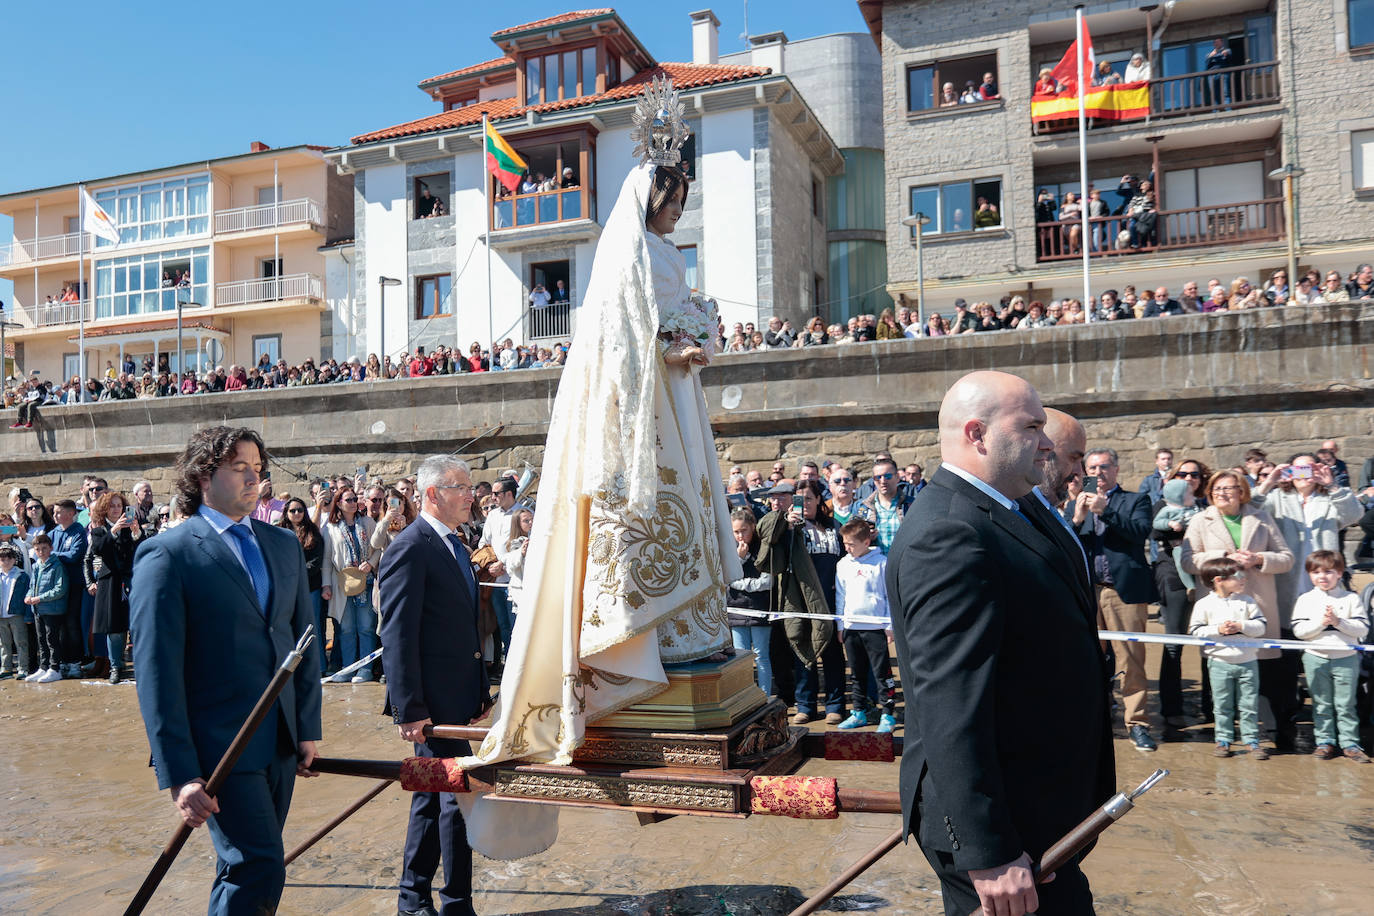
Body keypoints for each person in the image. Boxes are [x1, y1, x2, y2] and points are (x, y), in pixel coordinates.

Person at [463, 103, 739, 769]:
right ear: (651, 196)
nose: (677, 209)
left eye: (681, 198)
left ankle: (692, 628)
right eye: (672, 198)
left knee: (693, 491)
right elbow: (619, 337)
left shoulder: (668, 249)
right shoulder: (628, 252)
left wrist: (695, 337)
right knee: (652, 500)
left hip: (677, 392)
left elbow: (670, 314)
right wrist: (670, 350)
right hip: (644, 398)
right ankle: (644, 643)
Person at [888, 371, 1111, 916]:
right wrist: (987, 850)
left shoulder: (1019, 504)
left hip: (1044, 816)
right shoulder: (950, 534)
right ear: (978, 434)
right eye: (1032, 426)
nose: (1046, 441)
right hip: (1003, 836)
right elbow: (950, 704)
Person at [129, 426, 321, 915]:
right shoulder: (168, 553)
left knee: (242, 867)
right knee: (260, 863)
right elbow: (156, 672)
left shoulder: (282, 545)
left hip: (280, 741)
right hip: (218, 751)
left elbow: (301, 641)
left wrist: (308, 727)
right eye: (240, 467)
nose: (254, 478)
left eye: (258, 468)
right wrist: (179, 774)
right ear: (202, 475)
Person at [378, 455, 490, 916]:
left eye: (469, 487)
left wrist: (482, 695)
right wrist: (409, 708)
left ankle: (416, 899)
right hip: (433, 706)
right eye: (460, 487)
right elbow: (397, 634)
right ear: (432, 494)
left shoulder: (455, 544)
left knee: (436, 799)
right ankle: (452, 903)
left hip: (462, 699)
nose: (471, 495)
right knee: (449, 800)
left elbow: (463, 628)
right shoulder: (411, 546)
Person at [1180, 471, 1295, 750]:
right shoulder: (1200, 519)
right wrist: (1222, 559)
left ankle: (1263, 733)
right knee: (1220, 670)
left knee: (1262, 668)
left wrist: (1258, 558)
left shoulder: (1261, 517)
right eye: (1217, 488)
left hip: (1257, 600)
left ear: (1242, 491)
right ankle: (1223, 735)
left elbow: (1286, 559)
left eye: (1229, 488)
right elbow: (1187, 560)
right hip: (1218, 606)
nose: (1223, 493)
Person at [1074, 447, 1158, 751]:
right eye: (1092, 468)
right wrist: (1077, 518)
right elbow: (1068, 545)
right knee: (1087, 660)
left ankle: (1137, 723)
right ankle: (1091, 719)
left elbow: (1139, 533)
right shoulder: (1076, 503)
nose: (1097, 473)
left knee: (1131, 658)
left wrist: (1105, 510)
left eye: (1103, 467)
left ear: (1116, 470)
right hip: (1087, 592)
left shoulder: (1136, 500)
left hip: (1122, 592)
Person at [1291, 550, 1371, 763]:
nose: (1322, 577)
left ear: (1339, 573)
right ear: (1309, 575)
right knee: (1321, 702)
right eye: (1316, 572)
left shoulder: (1351, 599)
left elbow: (1362, 629)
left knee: (1346, 703)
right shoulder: (1305, 600)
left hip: (1346, 658)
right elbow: (1300, 631)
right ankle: (1325, 741)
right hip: (1315, 657)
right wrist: (1322, 623)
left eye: (1328, 572)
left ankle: (1350, 743)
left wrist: (1338, 622)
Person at [1189, 557, 1268, 758]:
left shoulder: (1248, 601)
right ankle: (1223, 739)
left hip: (1248, 662)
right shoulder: (1203, 604)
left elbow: (1261, 626)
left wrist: (1242, 626)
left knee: (1249, 705)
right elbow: (1196, 631)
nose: (1243, 579)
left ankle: (1251, 740)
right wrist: (1218, 629)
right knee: (1222, 704)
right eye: (1238, 576)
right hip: (1219, 663)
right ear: (1219, 580)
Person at [834, 518, 896, 733]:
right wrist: (840, 625)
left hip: (876, 627)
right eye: (844, 543)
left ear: (865, 541)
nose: (847, 548)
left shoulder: (882, 563)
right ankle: (858, 711)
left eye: (851, 544)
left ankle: (888, 713)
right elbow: (840, 596)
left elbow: (889, 597)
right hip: (852, 628)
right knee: (856, 673)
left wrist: (889, 625)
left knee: (882, 673)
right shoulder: (842, 564)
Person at [322, 485, 381, 683]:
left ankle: (364, 669)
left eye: (355, 499)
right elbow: (327, 560)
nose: (354, 503)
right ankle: (347, 668)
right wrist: (326, 585)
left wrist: (371, 564)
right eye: (349, 500)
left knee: (365, 627)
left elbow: (379, 548)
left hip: (366, 582)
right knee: (346, 628)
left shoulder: (368, 522)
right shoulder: (330, 528)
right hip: (342, 584)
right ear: (338, 503)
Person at [85, 490, 139, 684]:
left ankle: (137, 665)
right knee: (114, 628)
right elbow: (98, 549)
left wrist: (136, 533)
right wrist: (114, 530)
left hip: (130, 581)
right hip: (110, 583)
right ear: (104, 509)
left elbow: (140, 550)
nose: (116, 509)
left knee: (135, 624)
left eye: (119, 505)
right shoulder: (99, 530)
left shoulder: (130, 527)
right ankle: (115, 666)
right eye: (112, 506)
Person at [727, 506, 774, 696]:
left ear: (752, 527)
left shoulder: (763, 547)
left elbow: (766, 582)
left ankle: (765, 695)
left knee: (762, 656)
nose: (740, 536)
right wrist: (739, 559)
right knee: (741, 658)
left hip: (759, 608)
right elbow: (727, 576)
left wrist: (740, 584)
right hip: (737, 611)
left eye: (743, 530)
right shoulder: (730, 549)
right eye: (736, 532)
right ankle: (744, 697)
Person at [279, 496, 328, 677]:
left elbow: (316, 560)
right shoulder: (278, 532)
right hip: (287, 588)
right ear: (286, 513)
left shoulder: (312, 531)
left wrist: (296, 574)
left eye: (300, 510)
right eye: (293, 510)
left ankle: (319, 667)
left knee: (312, 627)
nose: (297, 513)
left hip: (310, 588)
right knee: (289, 627)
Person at [23, 534, 67, 683]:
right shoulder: (36, 566)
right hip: (38, 610)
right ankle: (43, 667)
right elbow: (31, 586)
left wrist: (39, 598)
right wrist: (29, 596)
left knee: (52, 640)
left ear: (51, 548)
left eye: (44, 549)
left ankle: (55, 669)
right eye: (37, 549)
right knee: (41, 639)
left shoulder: (57, 565)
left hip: (53, 610)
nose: (41, 552)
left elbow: (60, 589)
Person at [0, 545, 31, 681]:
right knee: (4, 644)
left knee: (21, 642)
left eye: (8, 559)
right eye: (2, 559)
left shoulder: (22, 576)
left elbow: (28, 594)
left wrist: (28, 615)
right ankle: (6, 668)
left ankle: (23, 668)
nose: (5, 562)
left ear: (14, 560)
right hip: (1, 615)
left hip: (17, 614)